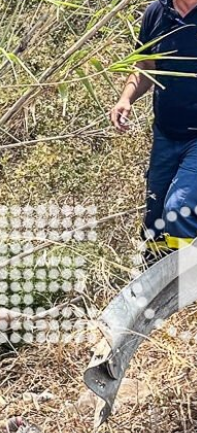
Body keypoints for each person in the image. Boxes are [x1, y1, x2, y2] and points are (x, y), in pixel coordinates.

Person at [110, 0, 197, 261]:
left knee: (179, 209)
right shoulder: (156, 12)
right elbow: (146, 66)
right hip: (166, 133)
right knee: (155, 219)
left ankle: (187, 282)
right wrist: (125, 99)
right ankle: (157, 281)